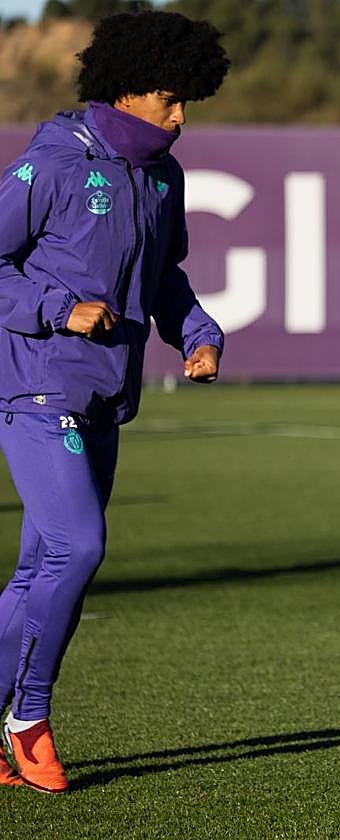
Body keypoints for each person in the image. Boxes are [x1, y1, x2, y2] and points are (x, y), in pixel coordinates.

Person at [0, 10, 229, 793]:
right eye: (169, 97)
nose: (180, 115)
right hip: (36, 386)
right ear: (127, 89)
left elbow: (165, 278)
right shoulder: (56, 161)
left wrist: (198, 333)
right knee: (78, 549)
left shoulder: (164, 175)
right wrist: (58, 311)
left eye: (188, 99)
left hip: (107, 396)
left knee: (39, 567)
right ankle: (27, 718)